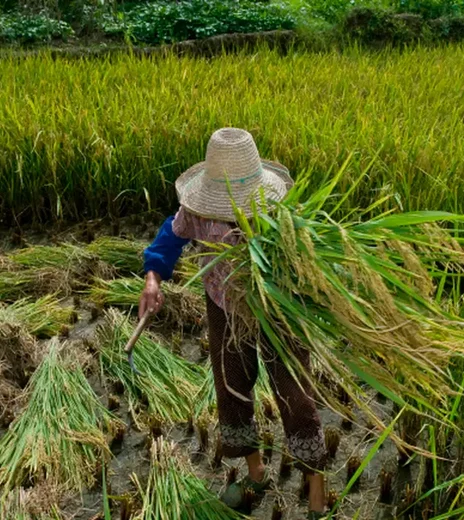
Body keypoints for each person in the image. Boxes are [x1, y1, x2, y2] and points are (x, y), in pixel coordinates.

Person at [139, 128, 327, 518]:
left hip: (277, 309)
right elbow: (169, 238)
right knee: (231, 384)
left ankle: (316, 488)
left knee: (294, 391)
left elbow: (308, 260)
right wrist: (153, 278)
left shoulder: (277, 213)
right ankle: (255, 471)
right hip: (224, 307)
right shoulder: (196, 212)